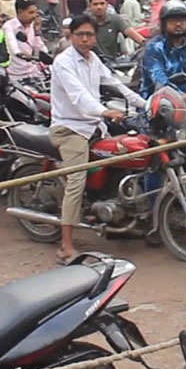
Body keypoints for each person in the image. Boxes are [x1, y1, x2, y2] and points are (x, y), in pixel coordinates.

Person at [49, 13, 148, 261]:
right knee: (76, 181)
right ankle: (66, 245)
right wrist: (105, 111)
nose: (85, 39)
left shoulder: (93, 60)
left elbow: (116, 83)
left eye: (89, 34)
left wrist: (146, 104)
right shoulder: (63, 62)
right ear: (70, 36)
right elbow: (79, 96)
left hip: (93, 125)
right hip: (70, 128)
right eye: (80, 34)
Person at [3, 0, 49, 82]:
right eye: (30, 12)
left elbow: (40, 49)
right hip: (16, 74)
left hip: (34, 72)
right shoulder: (9, 26)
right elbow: (12, 46)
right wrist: (20, 54)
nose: (34, 16)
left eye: (35, 12)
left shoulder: (32, 25)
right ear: (20, 12)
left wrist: (37, 32)